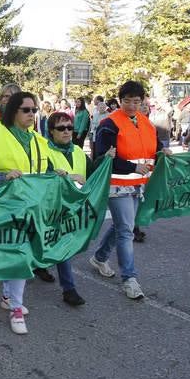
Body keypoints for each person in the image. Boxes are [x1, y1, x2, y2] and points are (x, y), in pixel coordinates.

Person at [0, 91, 51, 334]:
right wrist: (3, 176)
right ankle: (16, 308)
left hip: (33, 206)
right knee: (19, 254)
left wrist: (59, 175)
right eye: (26, 110)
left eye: (34, 110)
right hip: (7, 205)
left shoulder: (40, 140)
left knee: (18, 254)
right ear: (14, 112)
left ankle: (9, 296)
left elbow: (47, 170)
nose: (32, 114)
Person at [89, 81, 167, 299]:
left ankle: (99, 257)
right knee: (126, 230)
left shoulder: (146, 122)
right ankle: (129, 278)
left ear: (142, 101)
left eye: (136, 101)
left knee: (123, 225)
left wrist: (164, 151)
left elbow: (154, 146)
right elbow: (104, 158)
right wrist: (133, 167)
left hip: (140, 183)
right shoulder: (109, 124)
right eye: (127, 101)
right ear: (120, 100)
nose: (132, 106)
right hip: (117, 184)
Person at [42, 111, 116, 305]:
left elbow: (92, 172)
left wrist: (105, 159)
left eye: (69, 128)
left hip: (73, 208)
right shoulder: (44, 151)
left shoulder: (77, 150)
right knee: (58, 244)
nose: (67, 132)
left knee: (61, 245)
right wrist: (67, 177)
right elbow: (43, 177)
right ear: (51, 131)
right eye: (61, 128)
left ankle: (62, 283)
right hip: (52, 207)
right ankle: (68, 288)